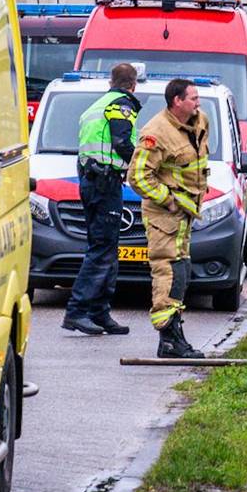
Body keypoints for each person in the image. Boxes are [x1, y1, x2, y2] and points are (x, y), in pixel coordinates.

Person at [128, 77, 210, 359]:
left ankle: (174, 335)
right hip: (165, 216)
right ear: (177, 101)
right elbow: (138, 176)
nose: (198, 102)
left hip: (186, 214)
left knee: (182, 270)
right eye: (193, 98)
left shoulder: (200, 122)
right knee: (168, 272)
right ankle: (169, 338)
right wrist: (169, 200)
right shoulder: (156, 132)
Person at [62, 62, 142, 336]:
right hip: (106, 183)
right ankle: (77, 311)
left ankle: (100, 312)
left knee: (105, 248)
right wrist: (144, 165)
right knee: (102, 249)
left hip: (92, 181)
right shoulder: (122, 104)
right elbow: (122, 143)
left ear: (111, 81)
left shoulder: (95, 106)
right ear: (133, 84)